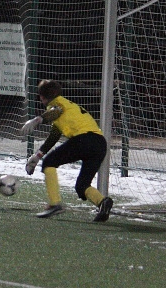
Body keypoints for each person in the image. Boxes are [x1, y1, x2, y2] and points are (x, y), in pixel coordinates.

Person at [20, 78, 114, 221]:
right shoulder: (69, 105)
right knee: (82, 186)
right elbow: (54, 135)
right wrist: (37, 155)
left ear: (41, 97)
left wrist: (38, 119)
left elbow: (56, 111)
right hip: (99, 144)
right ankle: (103, 202)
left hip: (84, 140)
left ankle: (54, 204)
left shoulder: (57, 104)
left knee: (49, 163)